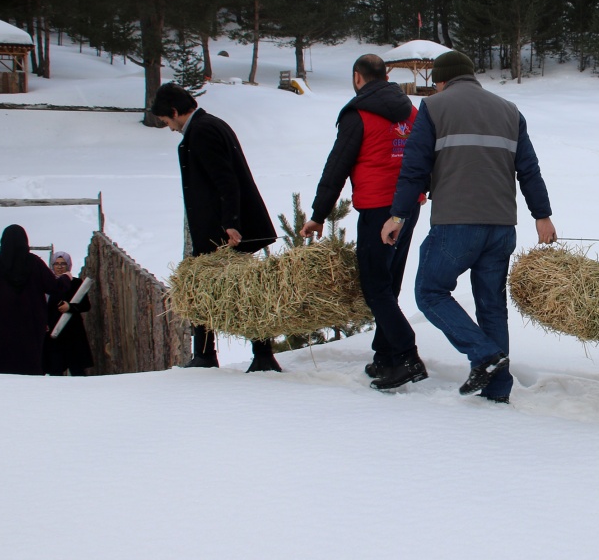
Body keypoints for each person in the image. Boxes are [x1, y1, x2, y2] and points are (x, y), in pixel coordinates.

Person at [378, 50, 556, 402]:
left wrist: (396, 216)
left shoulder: (434, 107)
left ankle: (483, 355)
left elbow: (414, 167)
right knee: (491, 305)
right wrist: (542, 215)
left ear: (441, 80)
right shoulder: (509, 110)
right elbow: (529, 169)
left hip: (455, 223)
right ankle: (497, 390)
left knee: (430, 293)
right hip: (502, 225)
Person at [301, 54, 423, 381]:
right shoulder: (411, 112)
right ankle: (385, 356)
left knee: (374, 286)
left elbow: (337, 166)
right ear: (385, 76)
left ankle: (407, 357)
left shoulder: (359, 115)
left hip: (378, 208)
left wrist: (318, 215)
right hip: (408, 207)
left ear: (358, 77)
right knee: (389, 283)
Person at [151, 83, 282, 373]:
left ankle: (229, 354)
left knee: (228, 288)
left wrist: (230, 224)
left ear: (174, 112)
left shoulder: (202, 131)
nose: (169, 128)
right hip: (221, 226)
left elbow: (226, 180)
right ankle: (231, 352)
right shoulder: (212, 124)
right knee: (221, 287)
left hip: (221, 230)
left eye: (167, 121)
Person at [0, 224, 59, 374]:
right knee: (30, 361)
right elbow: (52, 286)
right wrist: (65, 279)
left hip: (3, 323)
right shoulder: (34, 262)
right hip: (31, 323)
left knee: (6, 363)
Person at [44, 250, 94, 376]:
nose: (60, 267)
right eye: (56, 263)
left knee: (77, 369)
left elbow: (85, 305)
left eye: (63, 264)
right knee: (55, 370)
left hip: (73, 332)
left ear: (68, 265)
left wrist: (70, 307)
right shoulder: (48, 284)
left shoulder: (76, 283)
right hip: (54, 332)